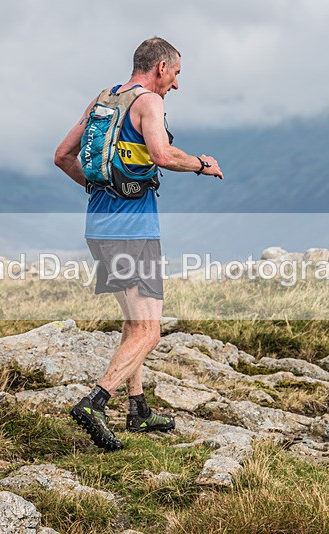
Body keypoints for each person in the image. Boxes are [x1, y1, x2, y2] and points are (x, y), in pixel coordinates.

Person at [54, 37, 224, 451]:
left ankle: (138, 410)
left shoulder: (104, 99)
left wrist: (104, 190)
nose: (177, 85)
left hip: (99, 226)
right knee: (149, 331)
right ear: (161, 68)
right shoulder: (148, 102)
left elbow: (62, 156)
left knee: (134, 324)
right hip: (133, 231)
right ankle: (95, 401)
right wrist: (202, 164)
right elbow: (162, 156)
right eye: (177, 74)